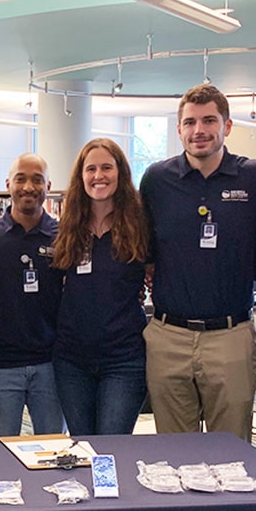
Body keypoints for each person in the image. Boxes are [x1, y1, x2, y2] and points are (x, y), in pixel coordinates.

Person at [140, 83, 256, 441]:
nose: (199, 131)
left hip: (231, 335)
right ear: (179, 129)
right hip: (168, 336)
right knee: (174, 450)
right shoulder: (157, 179)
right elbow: (141, 237)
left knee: (232, 451)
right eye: (190, 122)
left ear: (227, 125)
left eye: (209, 120)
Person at [52, 138, 149, 435]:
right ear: (80, 176)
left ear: (120, 172)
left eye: (107, 167)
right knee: (81, 444)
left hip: (123, 359)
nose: (98, 176)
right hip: (72, 360)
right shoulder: (67, 227)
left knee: (112, 445)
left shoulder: (140, 225)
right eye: (90, 169)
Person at [0, 153, 65, 437]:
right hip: (2, 364)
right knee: (1, 452)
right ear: (8, 184)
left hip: (52, 364)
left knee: (54, 451)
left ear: (48, 186)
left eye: (37, 179)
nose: (29, 186)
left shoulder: (64, 235)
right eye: (21, 179)